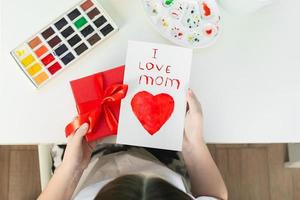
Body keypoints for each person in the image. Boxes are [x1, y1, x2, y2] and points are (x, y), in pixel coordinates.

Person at [38, 89, 228, 200]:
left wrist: (73, 167)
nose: (134, 172)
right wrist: (193, 146)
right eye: (155, 179)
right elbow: (214, 197)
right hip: (165, 156)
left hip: (84, 167)